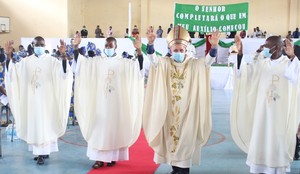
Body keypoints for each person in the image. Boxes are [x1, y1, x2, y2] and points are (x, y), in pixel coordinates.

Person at [143, 26, 220, 174]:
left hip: (188, 111)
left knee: (185, 141)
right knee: (171, 140)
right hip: (169, 111)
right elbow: (153, 60)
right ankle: (175, 168)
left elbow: (208, 62)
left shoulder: (193, 64)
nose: (178, 53)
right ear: (171, 50)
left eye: (181, 50)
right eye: (175, 50)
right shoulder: (166, 63)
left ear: (186, 50)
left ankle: (183, 170)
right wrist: (151, 44)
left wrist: (215, 46)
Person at [71, 33, 144, 169]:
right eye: (106, 45)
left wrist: (139, 51)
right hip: (100, 104)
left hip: (116, 104)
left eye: (111, 46)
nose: (108, 48)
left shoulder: (123, 63)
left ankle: (112, 158)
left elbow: (138, 70)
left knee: (113, 129)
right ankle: (98, 159)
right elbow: (81, 64)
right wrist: (76, 47)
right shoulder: (96, 62)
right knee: (98, 129)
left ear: (115, 47)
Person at [231, 35, 300, 174]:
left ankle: (276, 166)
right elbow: (245, 73)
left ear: (278, 47)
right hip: (262, 114)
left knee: (277, 140)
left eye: (268, 46)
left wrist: (293, 57)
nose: (265, 48)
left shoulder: (288, 64)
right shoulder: (263, 63)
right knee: (261, 138)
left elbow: (295, 76)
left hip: (280, 115)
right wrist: (240, 54)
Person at [4, 37, 73, 165]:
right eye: (37, 44)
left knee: (46, 124)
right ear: (33, 45)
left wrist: (64, 56)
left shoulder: (52, 61)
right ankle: (40, 153)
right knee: (36, 125)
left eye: (42, 44)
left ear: (45, 45)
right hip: (32, 101)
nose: (39, 46)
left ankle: (43, 153)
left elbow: (64, 74)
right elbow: (12, 74)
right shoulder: (25, 62)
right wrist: (8, 57)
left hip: (48, 101)